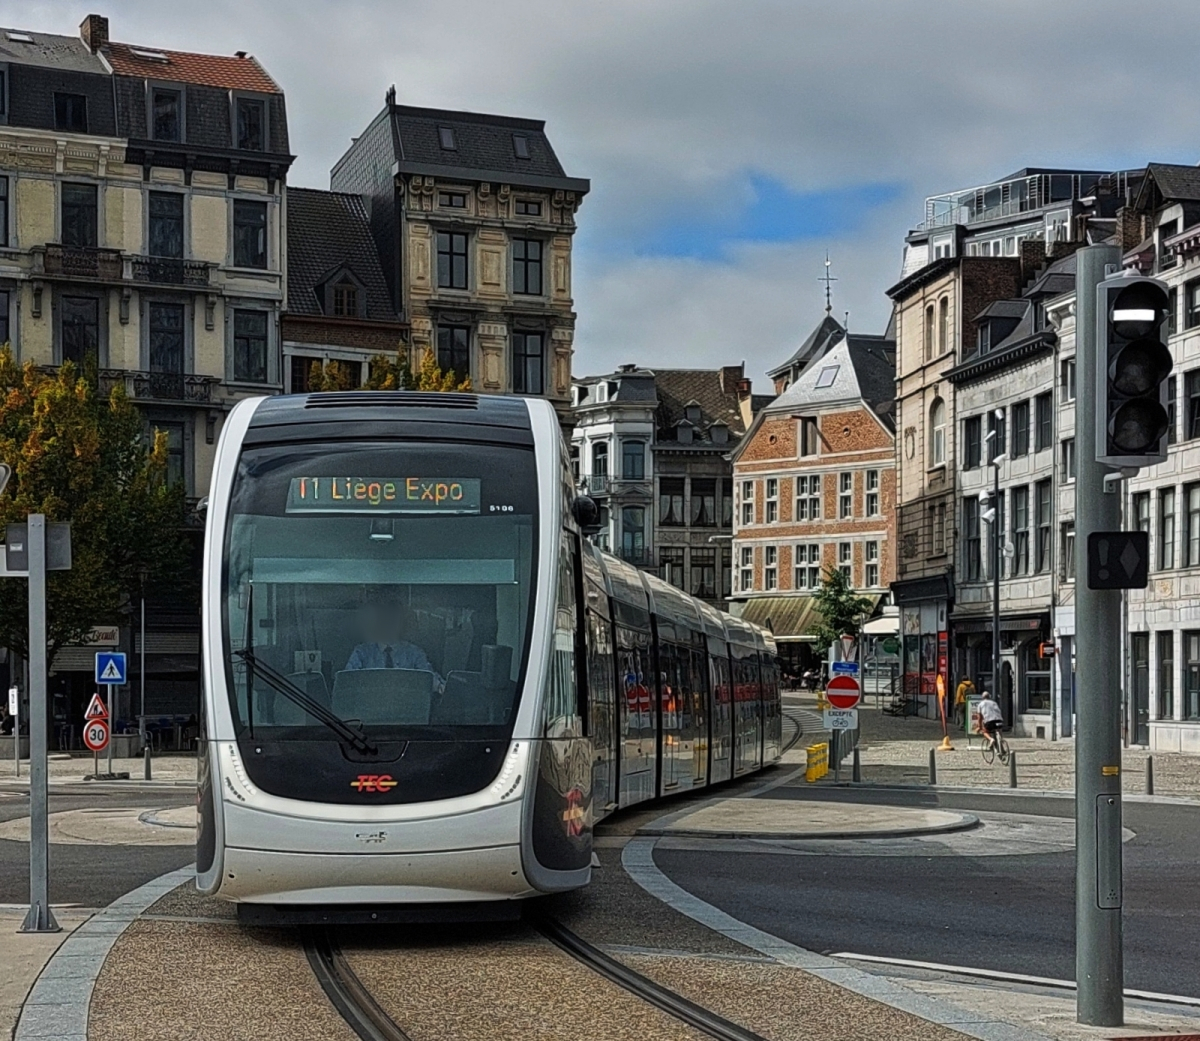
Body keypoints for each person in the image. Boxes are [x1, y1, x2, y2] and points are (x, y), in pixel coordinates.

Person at [346, 602, 444, 690]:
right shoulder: (361, 653)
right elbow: (348, 682)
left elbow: (428, 678)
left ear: (401, 624)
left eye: (392, 620)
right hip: (369, 703)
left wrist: (440, 686)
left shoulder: (415, 653)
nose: (388, 624)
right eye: (383, 619)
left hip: (407, 703)